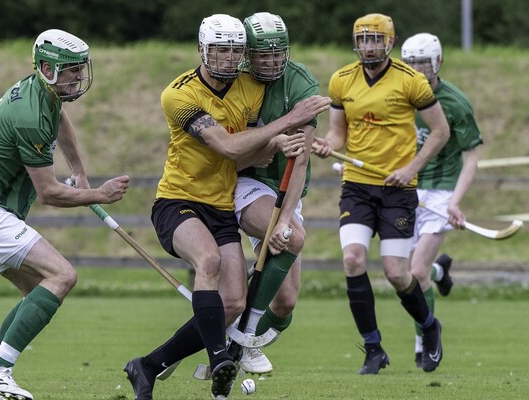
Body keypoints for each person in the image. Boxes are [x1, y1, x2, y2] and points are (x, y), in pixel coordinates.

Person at [123, 14, 331, 400]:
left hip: (220, 205)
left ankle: (148, 365)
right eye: (220, 49)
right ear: (202, 49)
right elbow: (229, 146)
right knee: (210, 262)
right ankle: (222, 356)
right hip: (179, 200)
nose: (228, 57)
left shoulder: (249, 87)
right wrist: (291, 121)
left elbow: (253, 143)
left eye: (235, 50)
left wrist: (281, 142)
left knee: (233, 302)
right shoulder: (178, 94)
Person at [0, 29, 130, 400]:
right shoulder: (29, 115)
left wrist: (80, 171)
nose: (78, 77)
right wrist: (99, 195)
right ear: (47, 68)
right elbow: (48, 193)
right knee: (62, 275)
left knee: (35, 291)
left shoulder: (43, 93)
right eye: (71, 70)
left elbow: (61, 123)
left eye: (80, 69)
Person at [313, 13, 450, 374]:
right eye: (363, 40)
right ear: (355, 43)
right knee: (353, 260)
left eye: (376, 39)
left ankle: (430, 325)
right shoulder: (341, 80)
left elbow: (440, 131)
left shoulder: (412, 80)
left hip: (398, 190)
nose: (369, 46)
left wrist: (411, 168)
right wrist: (327, 145)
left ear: (389, 42)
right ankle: (373, 348)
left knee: (396, 273)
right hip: (357, 186)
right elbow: (338, 133)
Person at [232, 11, 320, 375]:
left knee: (285, 303)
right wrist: (284, 225)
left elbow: (300, 159)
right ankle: (243, 337)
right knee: (293, 236)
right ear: (248, 54)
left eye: (277, 53)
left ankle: (233, 347)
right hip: (244, 180)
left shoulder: (300, 84)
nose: (270, 61)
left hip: (287, 187)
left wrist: (285, 216)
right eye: (262, 54)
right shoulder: (234, 82)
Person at [401, 32, 483, 368]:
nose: (418, 70)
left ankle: (425, 340)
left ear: (437, 62)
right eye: (411, 64)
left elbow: (472, 157)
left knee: (415, 272)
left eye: (423, 62)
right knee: (407, 273)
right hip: (407, 190)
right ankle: (440, 271)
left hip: (442, 191)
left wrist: (455, 202)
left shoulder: (455, 104)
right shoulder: (399, 97)